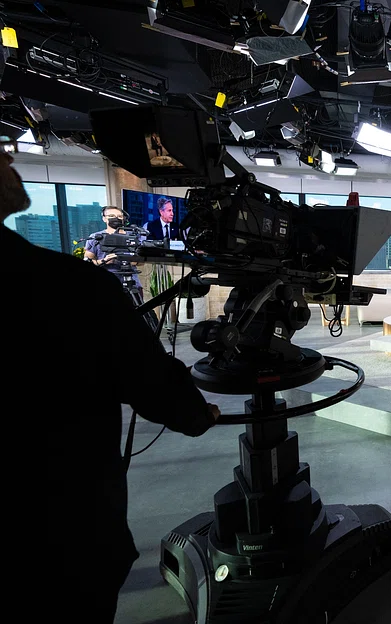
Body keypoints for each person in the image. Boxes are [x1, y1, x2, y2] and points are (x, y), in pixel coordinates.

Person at [0, 149, 220, 622]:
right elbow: (145, 377)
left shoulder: (83, 277)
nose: (10, 154)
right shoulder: (67, 286)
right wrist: (195, 414)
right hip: (61, 535)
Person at [84, 205, 145, 296]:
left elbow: (142, 261)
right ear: (104, 218)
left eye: (119, 216)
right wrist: (104, 261)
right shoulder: (96, 237)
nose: (116, 218)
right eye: (111, 216)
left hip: (133, 284)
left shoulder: (133, 236)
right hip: (106, 285)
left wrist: (131, 260)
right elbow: (87, 262)